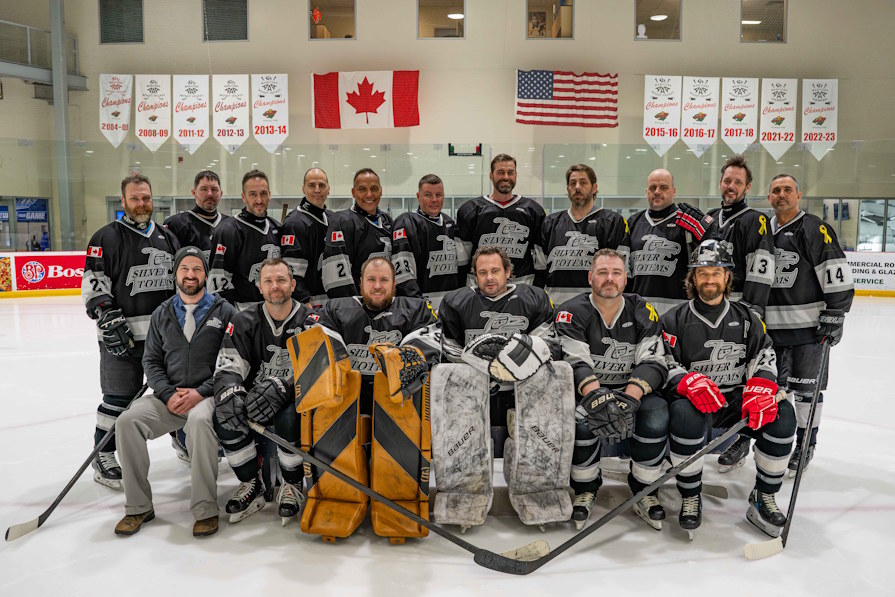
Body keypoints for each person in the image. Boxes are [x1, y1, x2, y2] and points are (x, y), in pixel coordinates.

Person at [660, 239, 795, 538]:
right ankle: (690, 495)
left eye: (716, 272)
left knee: (783, 415)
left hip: (737, 401)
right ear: (693, 278)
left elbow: (765, 355)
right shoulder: (673, 319)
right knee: (683, 415)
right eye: (703, 272)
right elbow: (664, 362)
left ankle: (764, 494)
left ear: (727, 277)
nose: (710, 278)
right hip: (696, 402)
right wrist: (687, 381)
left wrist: (761, 385)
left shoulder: (748, 318)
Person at [113, 246, 236, 537]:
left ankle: (205, 509)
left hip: (208, 398)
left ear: (206, 274)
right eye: (185, 269)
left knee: (198, 421)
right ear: (176, 273)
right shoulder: (162, 313)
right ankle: (138, 506)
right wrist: (167, 394)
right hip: (170, 398)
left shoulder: (225, 311)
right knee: (127, 421)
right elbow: (151, 361)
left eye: (197, 269)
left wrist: (201, 392)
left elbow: (232, 360)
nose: (190, 275)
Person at [554, 248, 669, 529]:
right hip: (590, 390)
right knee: (580, 423)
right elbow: (575, 361)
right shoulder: (571, 311)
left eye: (616, 273)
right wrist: (597, 396)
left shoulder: (643, 308)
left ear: (625, 279)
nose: (609, 279)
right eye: (602, 273)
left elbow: (654, 360)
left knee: (655, 418)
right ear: (590, 277)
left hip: (633, 390)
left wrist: (629, 400)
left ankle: (645, 490)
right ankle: (585, 489)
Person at [677, 156, 776, 471]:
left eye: (737, 182)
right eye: (726, 180)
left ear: (747, 187)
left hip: (742, 311)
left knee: (745, 377)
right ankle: (706, 432)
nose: (730, 186)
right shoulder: (711, 218)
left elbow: (762, 267)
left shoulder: (754, 220)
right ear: (720, 184)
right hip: (710, 309)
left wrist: (754, 311)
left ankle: (742, 440)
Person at [81, 174, 180, 488]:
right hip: (122, 339)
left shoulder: (167, 237)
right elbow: (94, 286)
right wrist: (106, 316)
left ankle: (184, 440)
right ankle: (105, 456)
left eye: (146, 198)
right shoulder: (104, 238)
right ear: (123, 201)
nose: (142, 204)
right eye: (135, 198)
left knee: (176, 396)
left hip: (164, 341)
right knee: (118, 399)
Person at [212, 257, 317, 524]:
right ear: (260, 287)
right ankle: (252, 484)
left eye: (281, 280)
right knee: (225, 412)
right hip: (254, 399)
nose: (275, 286)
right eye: (268, 281)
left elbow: (319, 368)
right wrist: (230, 391)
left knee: (288, 417)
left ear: (293, 285)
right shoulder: (243, 320)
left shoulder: (312, 321)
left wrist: (286, 387)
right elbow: (228, 366)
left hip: (296, 399)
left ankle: (292, 485)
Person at [764, 174, 854, 476]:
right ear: (768, 198)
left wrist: (836, 314)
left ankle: (806, 443)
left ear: (798, 195)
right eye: (776, 191)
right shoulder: (764, 230)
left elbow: (836, 271)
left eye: (787, 190)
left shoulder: (815, 228)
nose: (781, 195)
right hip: (771, 332)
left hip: (808, 332)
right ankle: (759, 441)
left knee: (806, 394)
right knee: (769, 391)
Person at [438, 246, 554, 455]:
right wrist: (487, 368)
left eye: (495, 271)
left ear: (508, 272)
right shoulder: (456, 302)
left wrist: (509, 367)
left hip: (522, 391)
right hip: (474, 392)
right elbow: (449, 349)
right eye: (482, 272)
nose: (489, 277)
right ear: (475, 275)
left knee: (526, 453)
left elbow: (545, 344)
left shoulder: (534, 298)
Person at [316, 256, 439, 416]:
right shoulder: (335, 310)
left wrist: (406, 359)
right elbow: (316, 341)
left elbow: (430, 347)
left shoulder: (417, 309)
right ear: (361, 282)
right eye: (371, 279)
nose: (377, 286)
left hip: (398, 405)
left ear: (394, 283)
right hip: (347, 402)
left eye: (384, 280)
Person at [539, 164, 629, 305]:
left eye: (583, 182)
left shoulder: (612, 222)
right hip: (556, 307)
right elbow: (540, 269)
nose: (577, 187)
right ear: (567, 188)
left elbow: (622, 271)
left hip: (596, 308)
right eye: (572, 183)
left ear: (594, 188)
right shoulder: (550, 223)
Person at [455, 153, 546, 286]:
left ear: (516, 175)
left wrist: (537, 289)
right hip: (481, 287)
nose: (505, 177)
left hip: (522, 285)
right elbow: (462, 261)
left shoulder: (534, 211)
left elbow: (540, 260)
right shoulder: (470, 210)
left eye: (510, 172)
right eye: (500, 172)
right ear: (491, 176)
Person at [625, 169, 699, 315]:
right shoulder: (633, 222)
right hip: (639, 311)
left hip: (678, 311)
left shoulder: (686, 223)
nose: (657, 192)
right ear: (647, 192)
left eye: (663, 187)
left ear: (674, 191)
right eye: (653, 188)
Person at [208, 169, 281, 310]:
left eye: (263, 194)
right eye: (253, 194)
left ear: (269, 195)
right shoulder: (228, 231)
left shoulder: (276, 228)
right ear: (243, 196)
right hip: (244, 316)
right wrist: (232, 319)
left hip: (275, 312)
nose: (259, 200)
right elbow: (218, 285)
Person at [392, 173, 463, 309]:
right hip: (422, 306)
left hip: (450, 305)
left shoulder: (449, 223)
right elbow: (403, 273)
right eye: (428, 195)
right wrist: (420, 305)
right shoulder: (407, 222)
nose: (434, 200)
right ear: (418, 197)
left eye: (438, 195)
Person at [322, 168, 393, 299]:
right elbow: (336, 277)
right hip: (359, 307)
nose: (369, 194)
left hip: (383, 302)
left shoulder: (387, 221)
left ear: (381, 191)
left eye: (374, 189)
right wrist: (353, 308)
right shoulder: (342, 221)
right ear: (353, 192)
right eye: (362, 189)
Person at [281, 167, 333, 308]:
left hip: (331, 303)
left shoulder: (332, 218)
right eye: (311, 185)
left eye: (321, 185)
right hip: (309, 305)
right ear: (303, 189)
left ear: (328, 189)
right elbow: (291, 273)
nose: (317, 190)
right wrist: (305, 303)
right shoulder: (295, 223)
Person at [163, 170, 230, 260]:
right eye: (204, 189)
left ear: (221, 194)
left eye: (214, 189)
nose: (209, 194)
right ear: (194, 193)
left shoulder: (230, 225)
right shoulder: (176, 224)